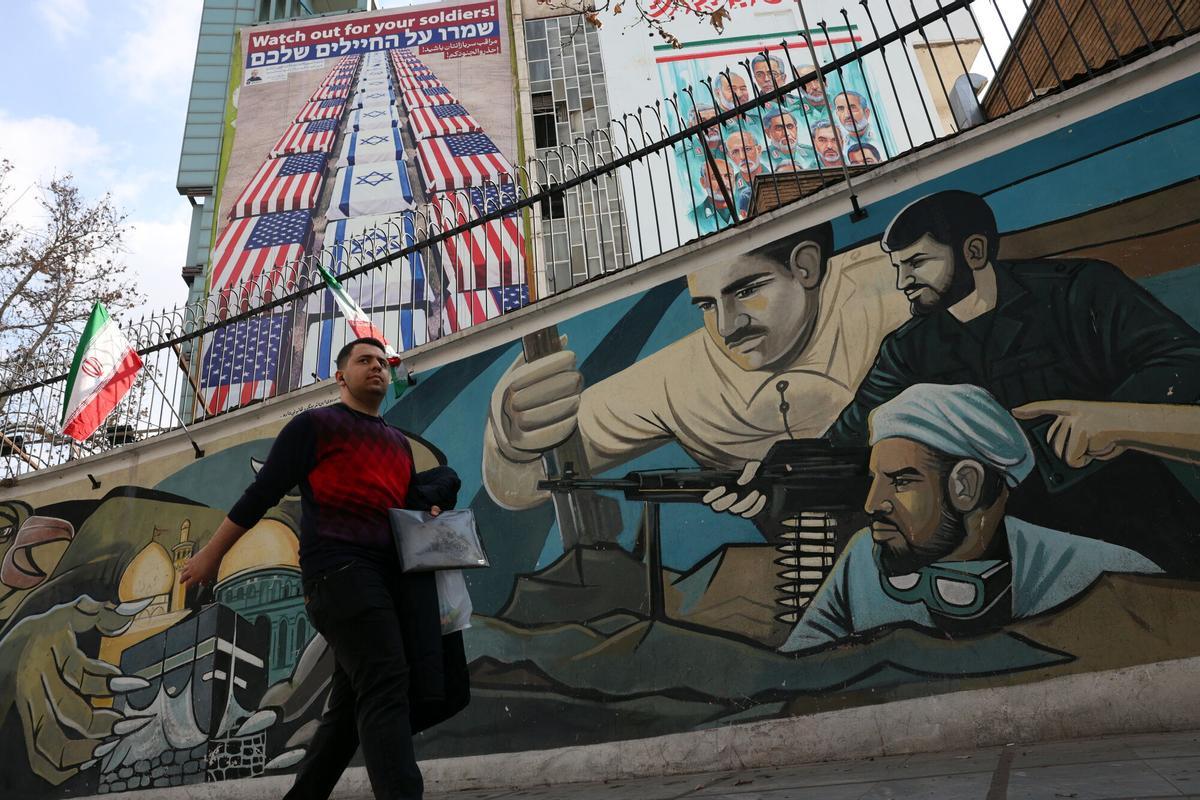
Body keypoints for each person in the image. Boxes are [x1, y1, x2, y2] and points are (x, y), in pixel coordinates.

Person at [823, 190, 1200, 576]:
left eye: (917, 262)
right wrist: (779, 475)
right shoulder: (909, 349)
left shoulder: (1078, 290)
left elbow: (1184, 362)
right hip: (1013, 553)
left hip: (1136, 526)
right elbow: (849, 435)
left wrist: (1109, 419)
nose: (903, 281)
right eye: (898, 266)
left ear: (973, 251)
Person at [181, 337, 463, 800]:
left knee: (351, 707)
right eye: (363, 360)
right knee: (387, 681)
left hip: (390, 578)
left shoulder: (397, 444)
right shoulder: (315, 426)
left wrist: (428, 507)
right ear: (340, 375)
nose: (376, 367)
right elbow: (262, 492)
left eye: (382, 363)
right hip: (338, 573)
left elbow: (403, 508)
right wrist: (212, 555)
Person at [781, 383, 1163, 652]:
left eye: (900, 481)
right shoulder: (864, 558)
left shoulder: (1108, 574)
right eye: (874, 480)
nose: (872, 503)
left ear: (966, 485)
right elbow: (800, 665)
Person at [691, 157, 740, 231]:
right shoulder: (693, 218)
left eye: (728, 176)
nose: (723, 183)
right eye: (715, 177)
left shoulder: (747, 202)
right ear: (703, 182)